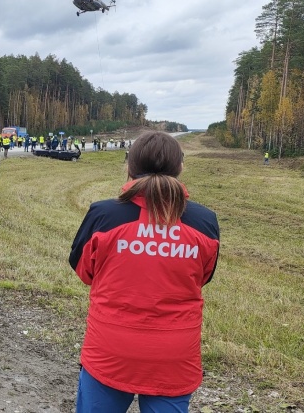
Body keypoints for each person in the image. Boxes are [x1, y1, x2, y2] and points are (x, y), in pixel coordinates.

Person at [69, 131, 220, 412]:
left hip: (109, 351)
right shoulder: (204, 221)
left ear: (129, 165)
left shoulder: (103, 215)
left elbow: (84, 271)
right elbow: (203, 277)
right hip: (174, 356)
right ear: (180, 167)